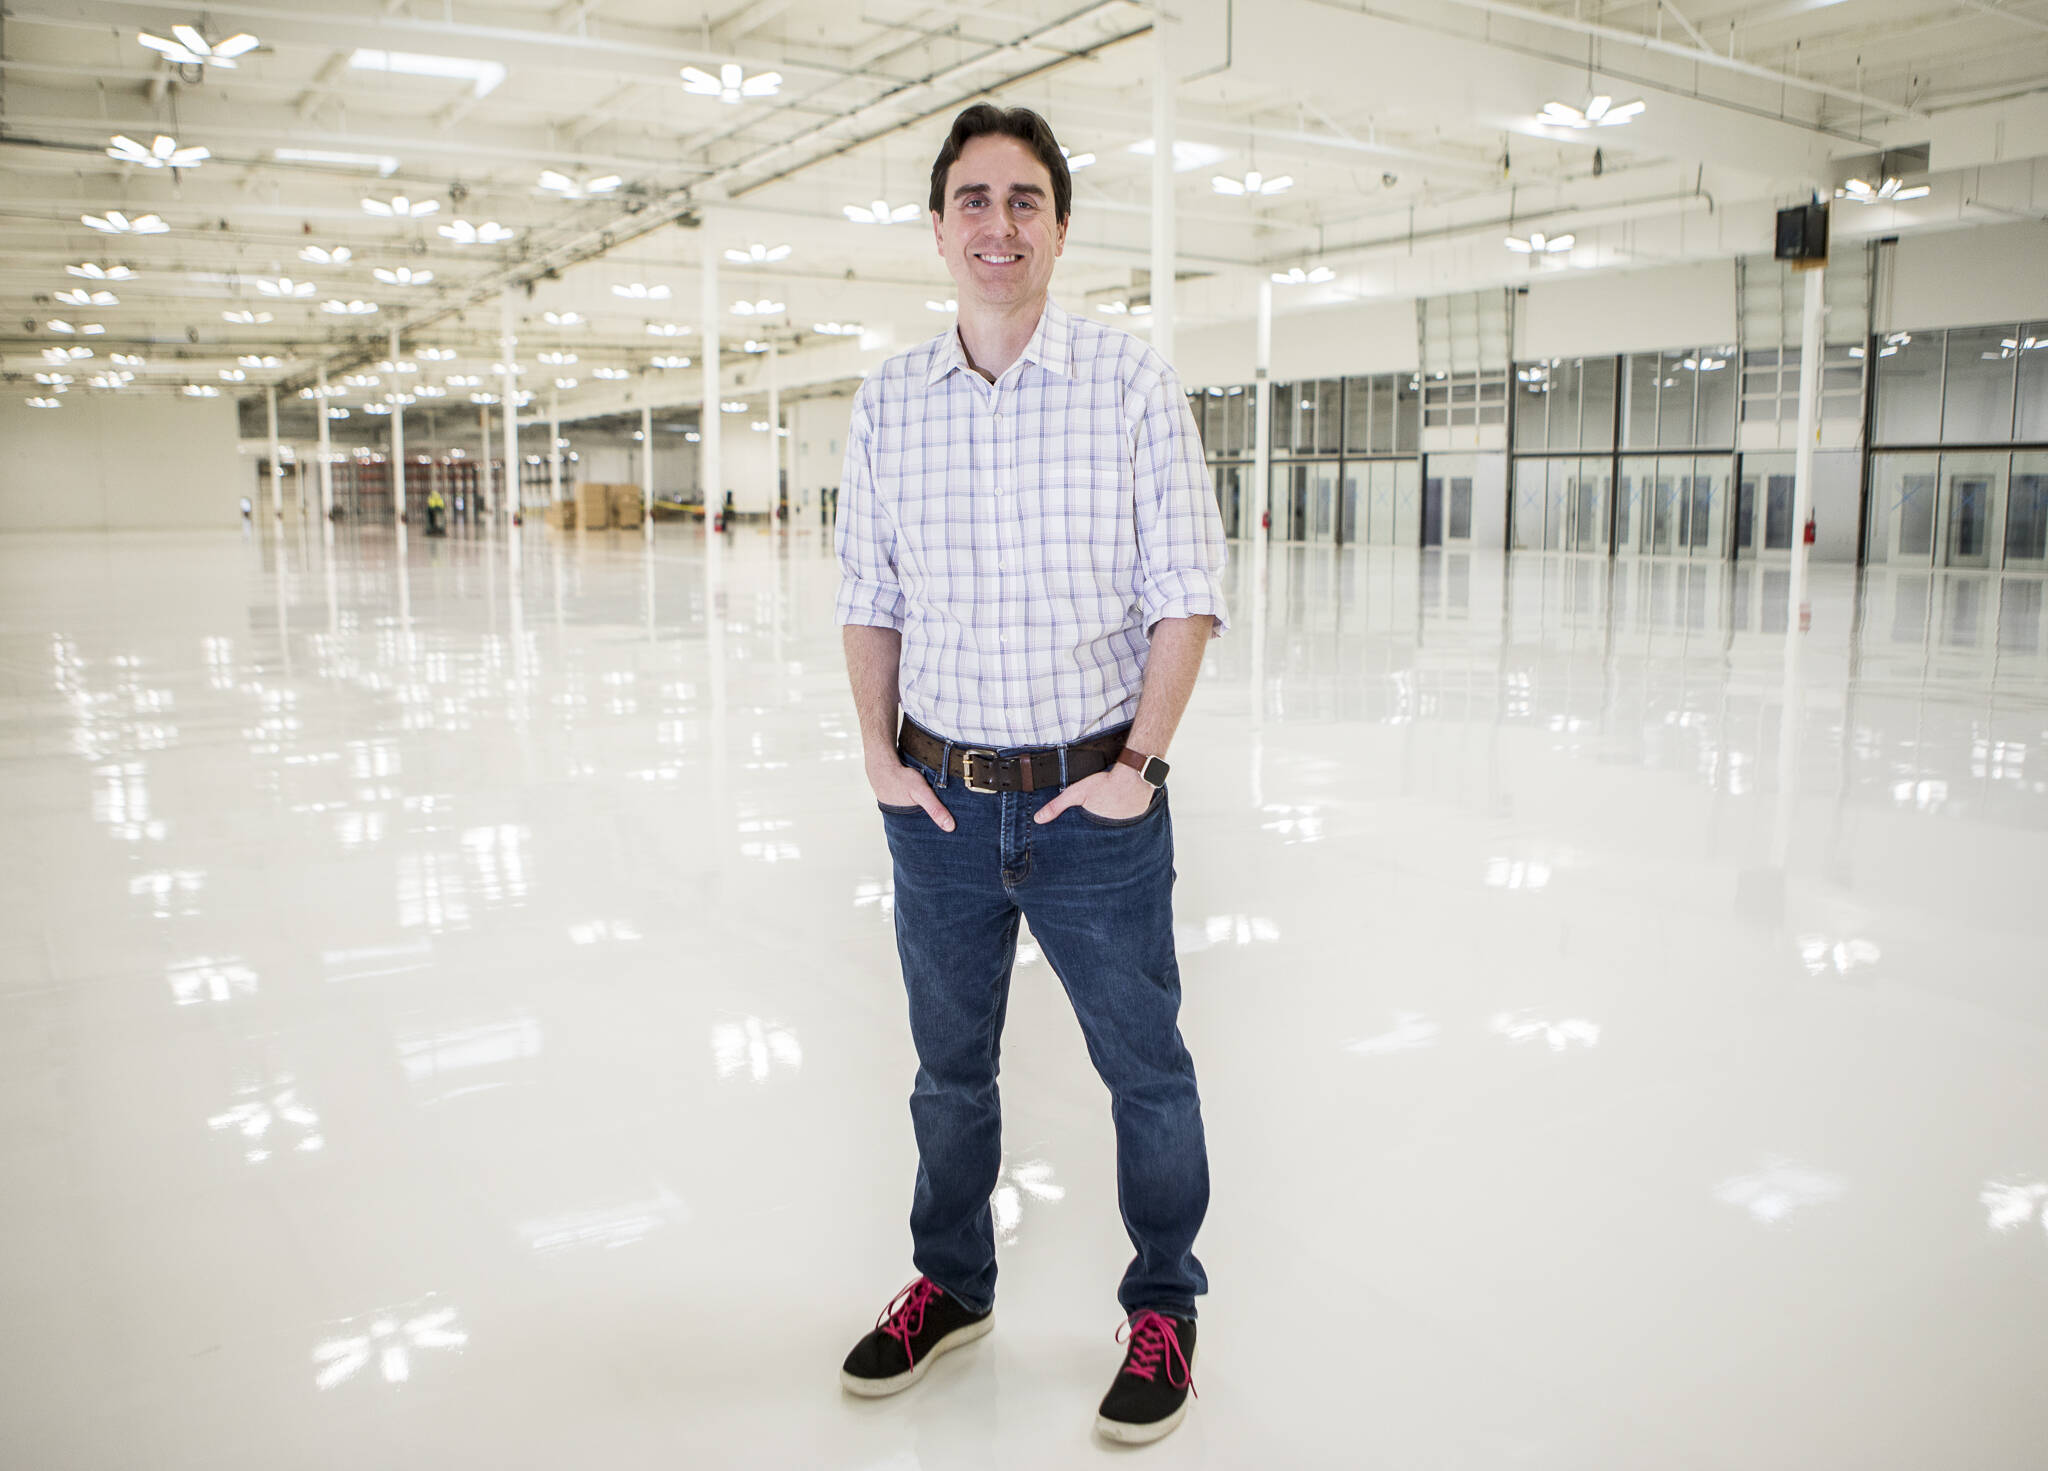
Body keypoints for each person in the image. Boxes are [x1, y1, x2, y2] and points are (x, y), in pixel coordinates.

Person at [834, 103, 1227, 1446]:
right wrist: (880, 758)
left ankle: (1164, 1303)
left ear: (1060, 225)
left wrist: (1139, 766)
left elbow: (1188, 593)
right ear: (939, 225)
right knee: (950, 1073)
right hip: (938, 809)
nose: (996, 225)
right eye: (972, 200)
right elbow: (868, 594)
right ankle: (951, 1286)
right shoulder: (890, 398)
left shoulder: (1127, 385)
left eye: (1023, 201)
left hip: (1091, 809)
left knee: (1146, 1071)